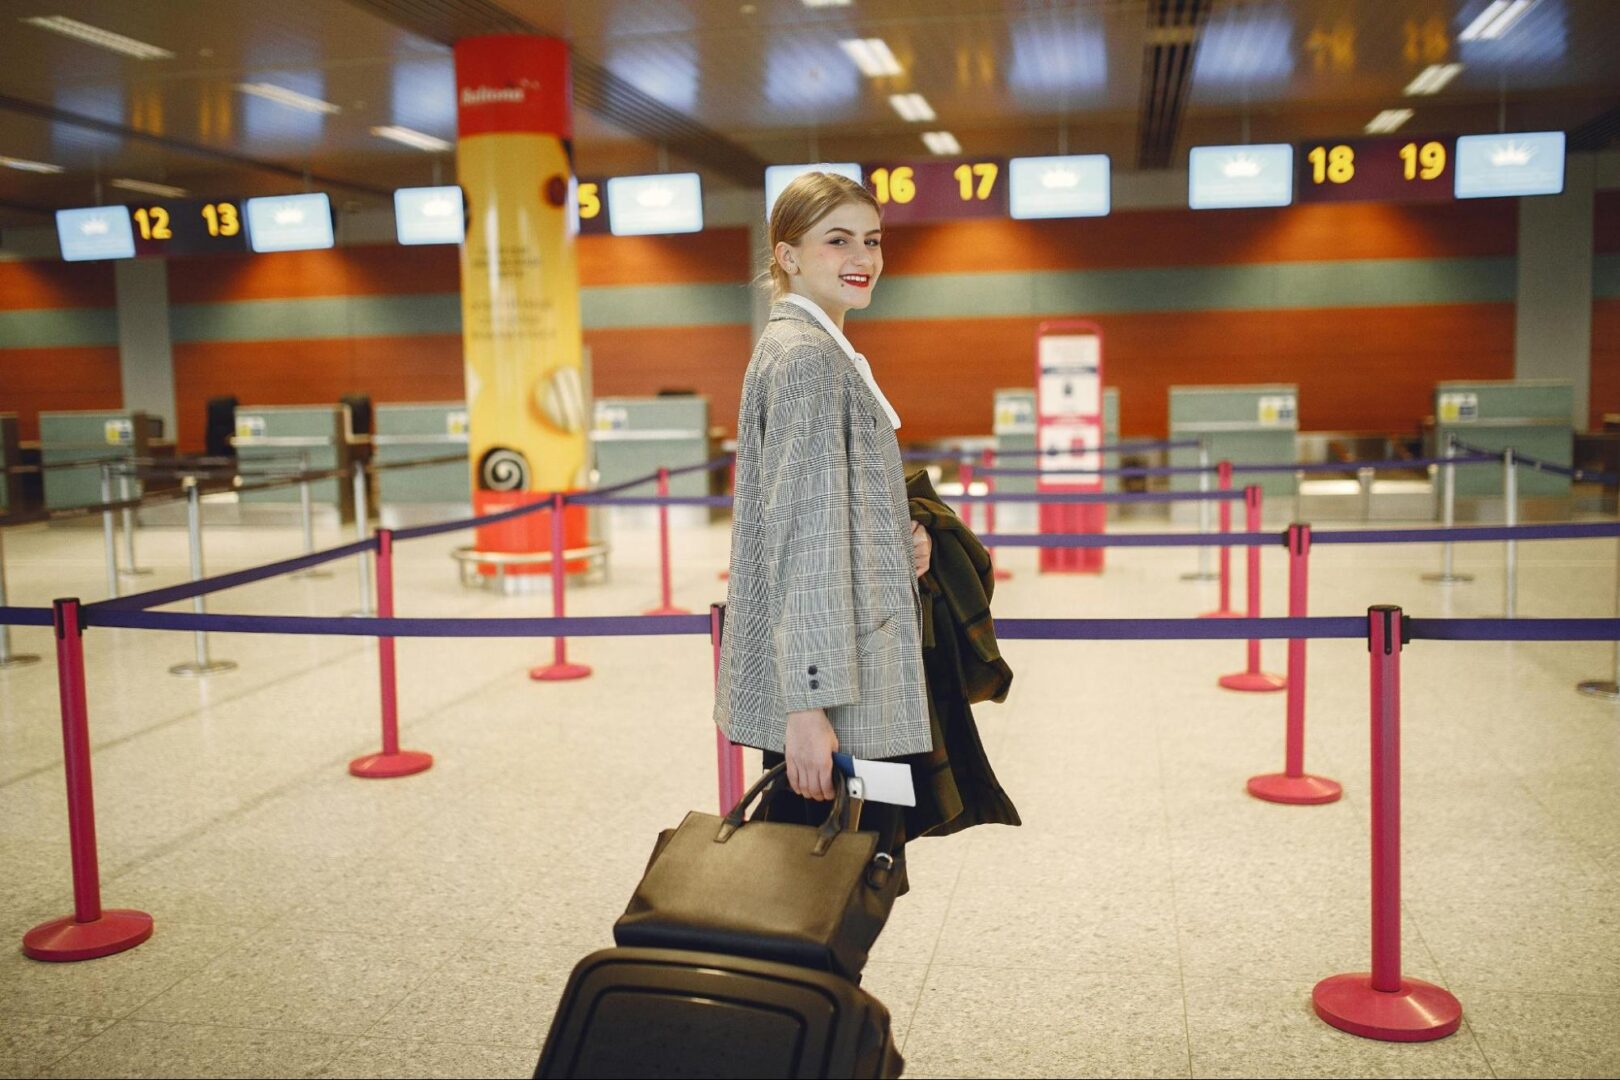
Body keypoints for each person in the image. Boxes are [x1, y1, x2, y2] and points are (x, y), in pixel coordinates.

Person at [715, 170, 933, 812]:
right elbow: (804, 543)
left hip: (845, 670)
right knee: (822, 888)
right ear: (788, 256)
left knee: (846, 881)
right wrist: (806, 709)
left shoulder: (815, 348)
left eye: (871, 240)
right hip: (832, 692)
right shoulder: (806, 359)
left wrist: (901, 537)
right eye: (837, 241)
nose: (863, 258)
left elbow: (832, 506)